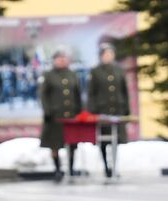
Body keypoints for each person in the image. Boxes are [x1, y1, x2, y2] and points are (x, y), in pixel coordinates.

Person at [87, 43, 131, 178]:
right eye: (106, 54)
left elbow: (124, 91)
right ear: (101, 56)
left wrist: (126, 109)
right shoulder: (95, 71)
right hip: (102, 110)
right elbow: (91, 93)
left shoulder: (119, 70)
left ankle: (115, 167)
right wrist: (93, 110)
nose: (109, 56)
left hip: (117, 110)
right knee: (104, 141)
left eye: (111, 54)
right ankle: (106, 166)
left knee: (116, 140)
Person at [40, 48, 83, 182]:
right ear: (54, 60)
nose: (62, 60)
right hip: (54, 116)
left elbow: (77, 94)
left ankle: (71, 167)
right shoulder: (48, 75)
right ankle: (58, 169)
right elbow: (43, 95)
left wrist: (80, 111)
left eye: (64, 58)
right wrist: (48, 111)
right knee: (55, 144)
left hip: (71, 115)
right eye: (59, 58)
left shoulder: (72, 75)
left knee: (72, 143)